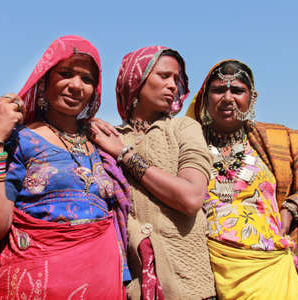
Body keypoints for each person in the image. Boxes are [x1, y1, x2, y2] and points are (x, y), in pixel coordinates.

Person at [0, 35, 131, 299]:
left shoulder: (100, 144)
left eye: (87, 79)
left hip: (103, 283)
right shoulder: (21, 140)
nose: (76, 86)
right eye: (66, 73)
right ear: (45, 78)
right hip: (36, 284)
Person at [186, 59, 298, 299]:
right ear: (204, 97)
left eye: (238, 90)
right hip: (208, 272)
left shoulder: (277, 141)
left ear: (252, 98)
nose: (228, 97)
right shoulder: (188, 144)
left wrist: (294, 206)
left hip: (271, 273)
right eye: (219, 89)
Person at [91, 46, 216, 300]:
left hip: (189, 285)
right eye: (163, 76)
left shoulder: (184, 128)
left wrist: (125, 155)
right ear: (136, 79)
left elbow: (191, 197)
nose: (173, 85)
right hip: (132, 288)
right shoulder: (105, 136)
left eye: (176, 79)